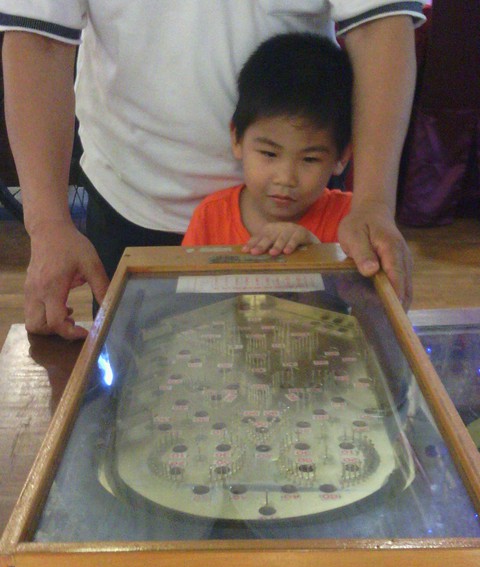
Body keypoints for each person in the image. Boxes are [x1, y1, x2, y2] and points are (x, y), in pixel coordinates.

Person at [0, 2, 427, 340]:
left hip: (301, 215)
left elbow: (378, 23)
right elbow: (39, 37)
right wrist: (48, 224)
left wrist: (372, 201)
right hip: (130, 201)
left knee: (309, 361)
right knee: (134, 391)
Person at [182, 33, 352, 254]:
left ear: (342, 157)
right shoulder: (210, 217)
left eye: (309, 159)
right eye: (269, 154)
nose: (286, 178)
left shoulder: (349, 219)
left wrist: (317, 254)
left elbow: (366, 277)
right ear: (237, 138)